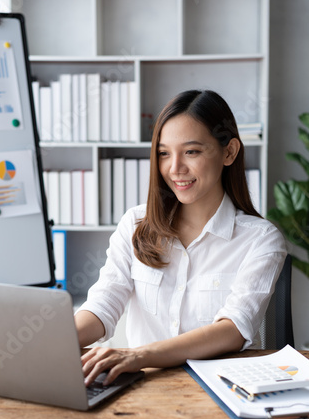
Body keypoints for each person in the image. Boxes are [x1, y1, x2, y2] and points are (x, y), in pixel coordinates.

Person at [75, 89, 287, 386]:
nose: (174, 169)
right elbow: (102, 305)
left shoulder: (261, 240)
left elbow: (233, 328)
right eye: (164, 153)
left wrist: (139, 356)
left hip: (218, 392)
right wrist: (56, 341)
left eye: (192, 152)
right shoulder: (135, 224)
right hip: (141, 393)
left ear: (229, 152)